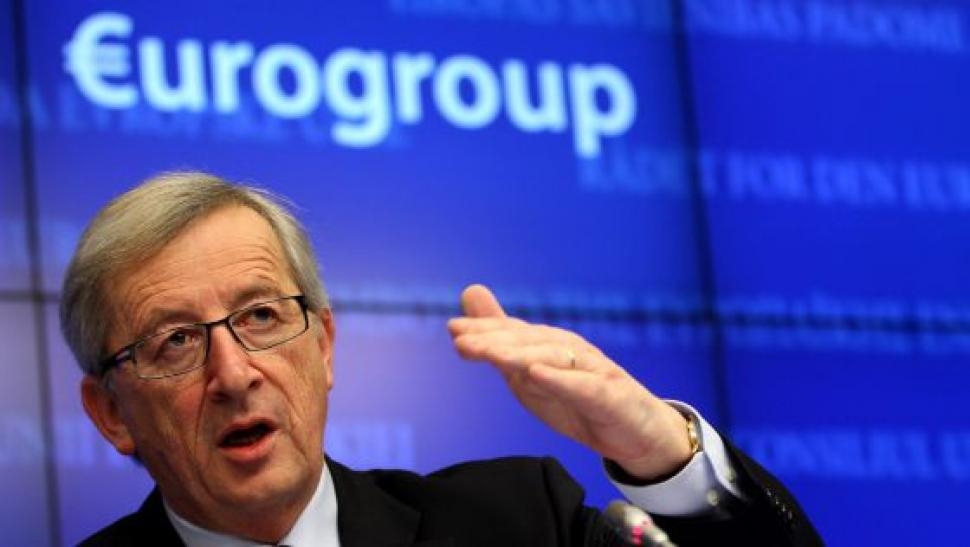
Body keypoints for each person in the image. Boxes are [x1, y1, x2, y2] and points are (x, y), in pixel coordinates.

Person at [61, 171, 821, 546]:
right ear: (110, 413)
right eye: (175, 341)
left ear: (323, 345)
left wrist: (658, 451)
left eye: (261, 316)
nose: (234, 374)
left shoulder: (518, 523)